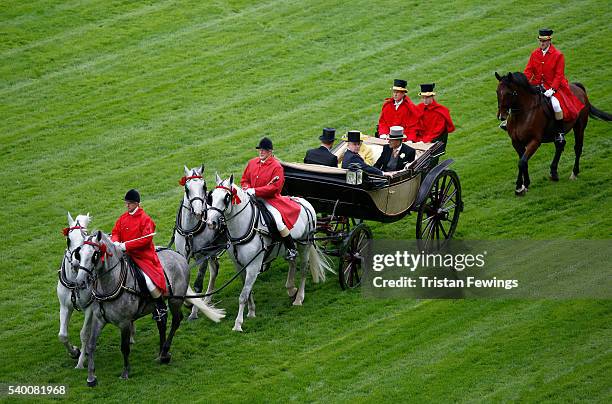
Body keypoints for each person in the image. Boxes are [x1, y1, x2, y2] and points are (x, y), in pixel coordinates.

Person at [241, 137, 301, 260]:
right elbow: (244, 180)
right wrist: (247, 188)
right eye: (260, 150)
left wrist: (255, 191)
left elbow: (275, 188)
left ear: (270, 152)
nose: (261, 152)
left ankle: (291, 249)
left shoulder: (277, 167)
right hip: (251, 198)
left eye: (264, 150)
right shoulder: (252, 162)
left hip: (270, 200)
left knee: (278, 222)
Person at [111, 189, 167, 321]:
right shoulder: (123, 218)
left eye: (129, 203)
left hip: (142, 256)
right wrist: (116, 242)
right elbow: (115, 232)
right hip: (125, 255)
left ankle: (159, 306)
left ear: (136, 204)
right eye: (126, 203)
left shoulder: (145, 219)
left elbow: (145, 240)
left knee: (148, 281)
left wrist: (125, 246)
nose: (127, 205)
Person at [523, 28, 584, 143]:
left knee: (556, 105)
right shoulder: (534, 54)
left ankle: (560, 133)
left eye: (544, 41)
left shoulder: (558, 55)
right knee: (520, 97)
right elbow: (528, 71)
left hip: (554, 87)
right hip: (536, 85)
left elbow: (559, 75)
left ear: (549, 41)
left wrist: (552, 89)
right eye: (540, 41)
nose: (542, 43)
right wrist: (523, 83)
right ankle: (509, 122)